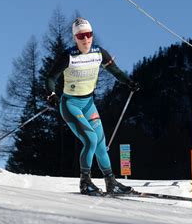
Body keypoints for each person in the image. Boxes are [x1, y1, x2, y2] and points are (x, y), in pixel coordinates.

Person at [45, 17, 140, 196]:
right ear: (75, 38)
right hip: (70, 105)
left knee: (101, 145)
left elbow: (116, 71)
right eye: (81, 36)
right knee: (90, 140)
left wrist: (129, 82)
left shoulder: (99, 53)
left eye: (89, 35)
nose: (86, 39)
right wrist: (52, 94)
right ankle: (85, 182)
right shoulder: (69, 56)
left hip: (88, 104)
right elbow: (50, 78)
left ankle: (111, 182)